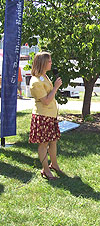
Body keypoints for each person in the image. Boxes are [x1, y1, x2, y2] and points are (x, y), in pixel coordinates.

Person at [29, 52, 63, 180]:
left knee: (53, 141)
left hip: (50, 115)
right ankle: (46, 170)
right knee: (44, 144)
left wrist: (54, 87)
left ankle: (54, 164)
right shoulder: (36, 81)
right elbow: (46, 101)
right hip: (42, 116)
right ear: (43, 63)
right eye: (49, 61)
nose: (51, 63)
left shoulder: (45, 76)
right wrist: (55, 87)